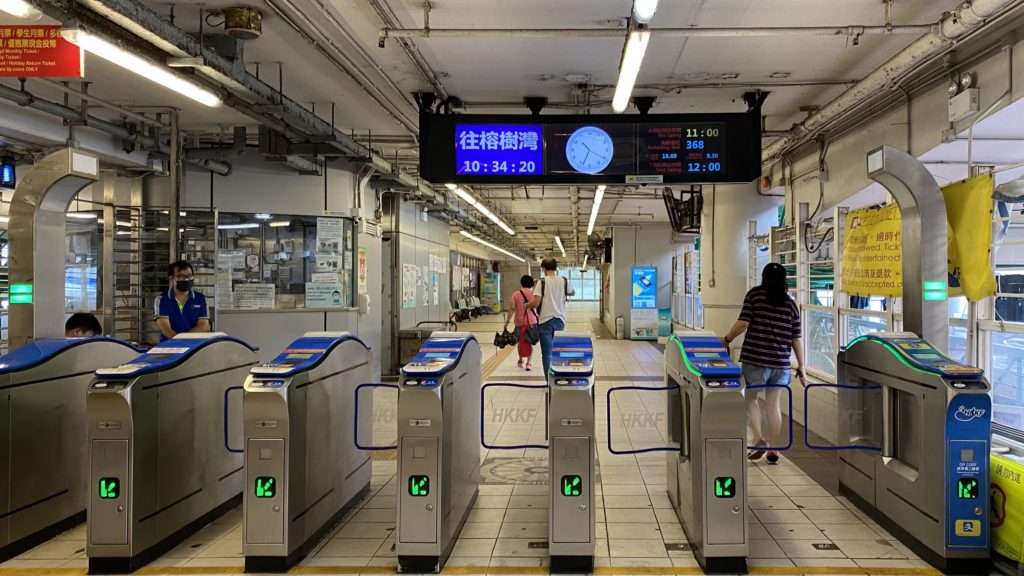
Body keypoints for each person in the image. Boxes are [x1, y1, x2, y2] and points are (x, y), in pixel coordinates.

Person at [721, 262, 805, 464]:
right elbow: (795, 338)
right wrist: (801, 366)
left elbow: (743, 323)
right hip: (780, 362)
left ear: (763, 277)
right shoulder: (790, 304)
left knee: (751, 399)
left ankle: (758, 439)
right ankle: (774, 449)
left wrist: (727, 339)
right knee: (773, 405)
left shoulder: (755, 295)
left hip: (756, 359)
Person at [526, 258, 574, 375]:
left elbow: (536, 303)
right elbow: (572, 292)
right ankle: (558, 377)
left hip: (545, 320)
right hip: (560, 320)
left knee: (546, 352)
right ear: (555, 268)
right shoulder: (563, 281)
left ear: (543, 268)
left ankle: (549, 380)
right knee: (558, 351)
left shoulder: (541, 282)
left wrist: (526, 305)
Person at [154, 260, 210, 342]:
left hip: (195, 345)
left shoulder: (201, 299)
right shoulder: (161, 300)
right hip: (169, 345)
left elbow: (203, 326)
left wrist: (184, 341)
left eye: (189, 276)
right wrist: (180, 343)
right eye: (181, 277)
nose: (186, 279)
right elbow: (166, 330)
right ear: (171, 278)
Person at [504, 274, 536, 371]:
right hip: (531, 322)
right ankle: (528, 363)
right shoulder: (534, 294)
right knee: (529, 342)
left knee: (520, 342)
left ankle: (521, 360)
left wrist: (507, 321)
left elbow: (512, 308)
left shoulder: (516, 294)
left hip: (519, 322)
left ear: (521, 283)